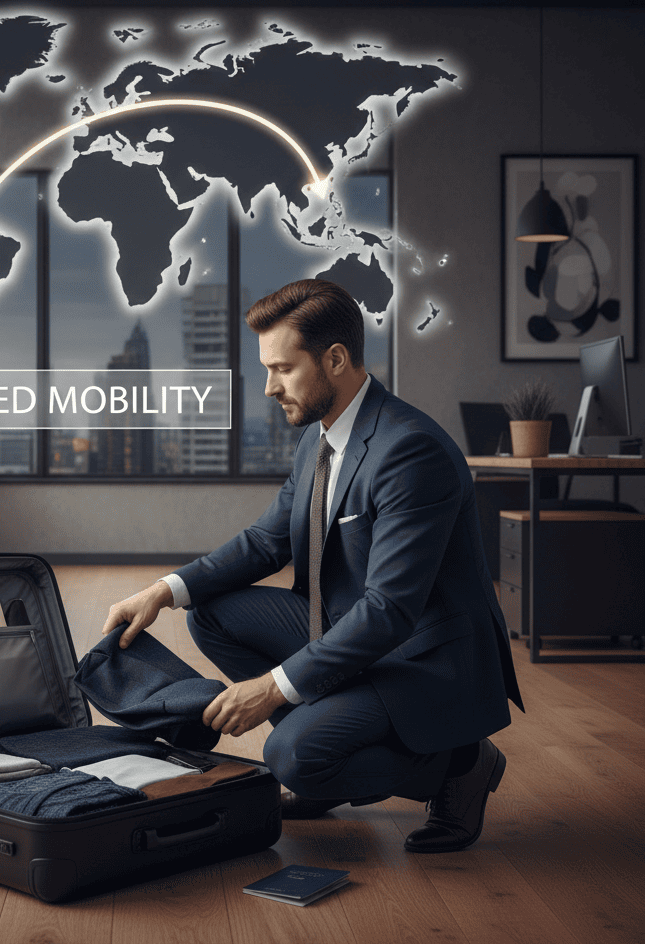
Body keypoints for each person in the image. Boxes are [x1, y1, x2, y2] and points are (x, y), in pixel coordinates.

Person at [102, 278, 523, 853]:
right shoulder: (319, 438)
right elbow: (267, 541)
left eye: (282, 369)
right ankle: (333, 742)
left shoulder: (410, 452)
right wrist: (164, 590)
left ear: (336, 359)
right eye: (266, 370)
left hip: (419, 658)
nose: (269, 388)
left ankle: (459, 764)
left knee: (290, 755)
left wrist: (272, 690)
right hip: (350, 628)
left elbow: (389, 612)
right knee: (209, 611)